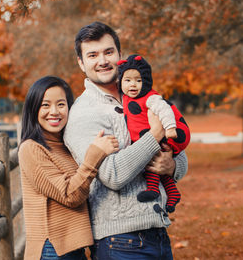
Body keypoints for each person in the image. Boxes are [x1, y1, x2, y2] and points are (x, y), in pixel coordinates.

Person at [64, 22, 188, 260]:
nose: (102, 60)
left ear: (119, 55)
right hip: (120, 242)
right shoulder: (82, 114)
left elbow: (180, 152)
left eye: (108, 52)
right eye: (92, 55)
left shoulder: (142, 96)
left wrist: (172, 166)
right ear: (81, 63)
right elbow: (112, 175)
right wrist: (154, 134)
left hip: (159, 231)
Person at [18, 76, 119, 260]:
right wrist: (94, 155)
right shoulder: (31, 148)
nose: (54, 112)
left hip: (73, 248)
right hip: (53, 250)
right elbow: (69, 195)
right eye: (45, 105)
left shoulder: (65, 145)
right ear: (33, 109)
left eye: (61, 104)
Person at [118, 54, 191, 213]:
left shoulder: (150, 98)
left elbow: (164, 110)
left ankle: (153, 189)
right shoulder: (124, 98)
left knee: (151, 161)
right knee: (157, 164)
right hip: (147, 137)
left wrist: (170, 128)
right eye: (128, 80)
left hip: (162, 137)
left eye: (138, 81)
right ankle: (172, 193)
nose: (133, 85)